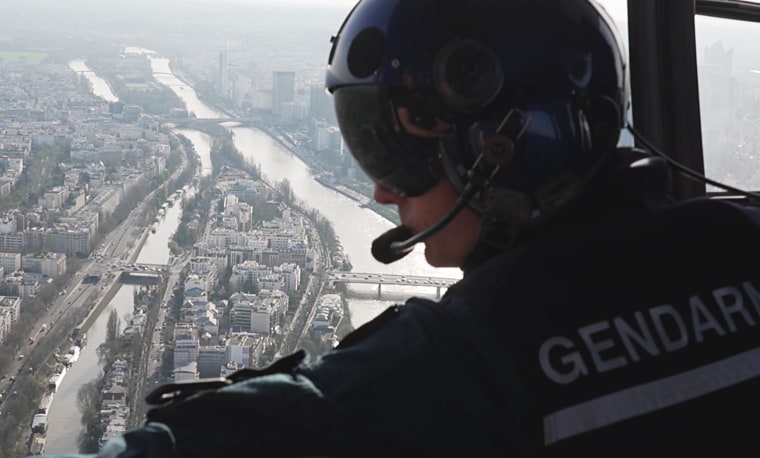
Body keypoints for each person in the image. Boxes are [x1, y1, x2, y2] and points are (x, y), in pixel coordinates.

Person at [38, 0, 760, 457]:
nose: (382, 188)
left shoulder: (475, 360)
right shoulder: (741, 232)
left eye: (400, 154)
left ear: (507, 147)